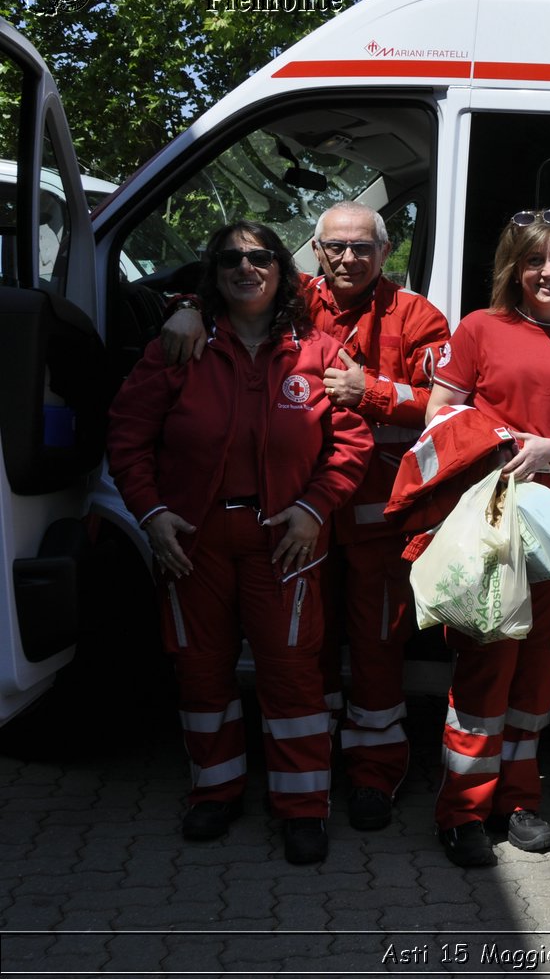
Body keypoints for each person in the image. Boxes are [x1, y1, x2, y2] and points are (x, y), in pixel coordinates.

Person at [159, 202, 452, 832]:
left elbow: (447, 402)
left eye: (362, 247)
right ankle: (308, 772)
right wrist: (184, 303)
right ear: (315, 252)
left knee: (376, 650)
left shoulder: (418, 315)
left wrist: (369, 392)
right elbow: (234, 288)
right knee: (304, 656)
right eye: (335, 247)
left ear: (385, 250)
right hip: (293, 524)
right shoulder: (298, 298)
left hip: (375, 517)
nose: (348, 258)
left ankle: (372, 775)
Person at [108, 221, 373, 865]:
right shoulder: (178, 346)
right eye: (230, 258)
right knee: (200, 670)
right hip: (191, 542)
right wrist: (152, 514)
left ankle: (303, 806)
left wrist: (314, 508)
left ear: (282, 269)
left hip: (286, 542)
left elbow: (351, 442)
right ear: (213, 273)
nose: (245, 268)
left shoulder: (318, 351)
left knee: (291, 676)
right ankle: (214, 792)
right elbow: (127, 437)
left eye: (259, 257)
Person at [424, 208, 550, 868]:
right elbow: (439, 412)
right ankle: (462, 810)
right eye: (535, 260)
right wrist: (499, 443)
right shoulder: (481, 329)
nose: (548, 272)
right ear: (515, 267)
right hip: (491, 521)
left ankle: (519, 799)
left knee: (536, 674)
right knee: (486, 666)